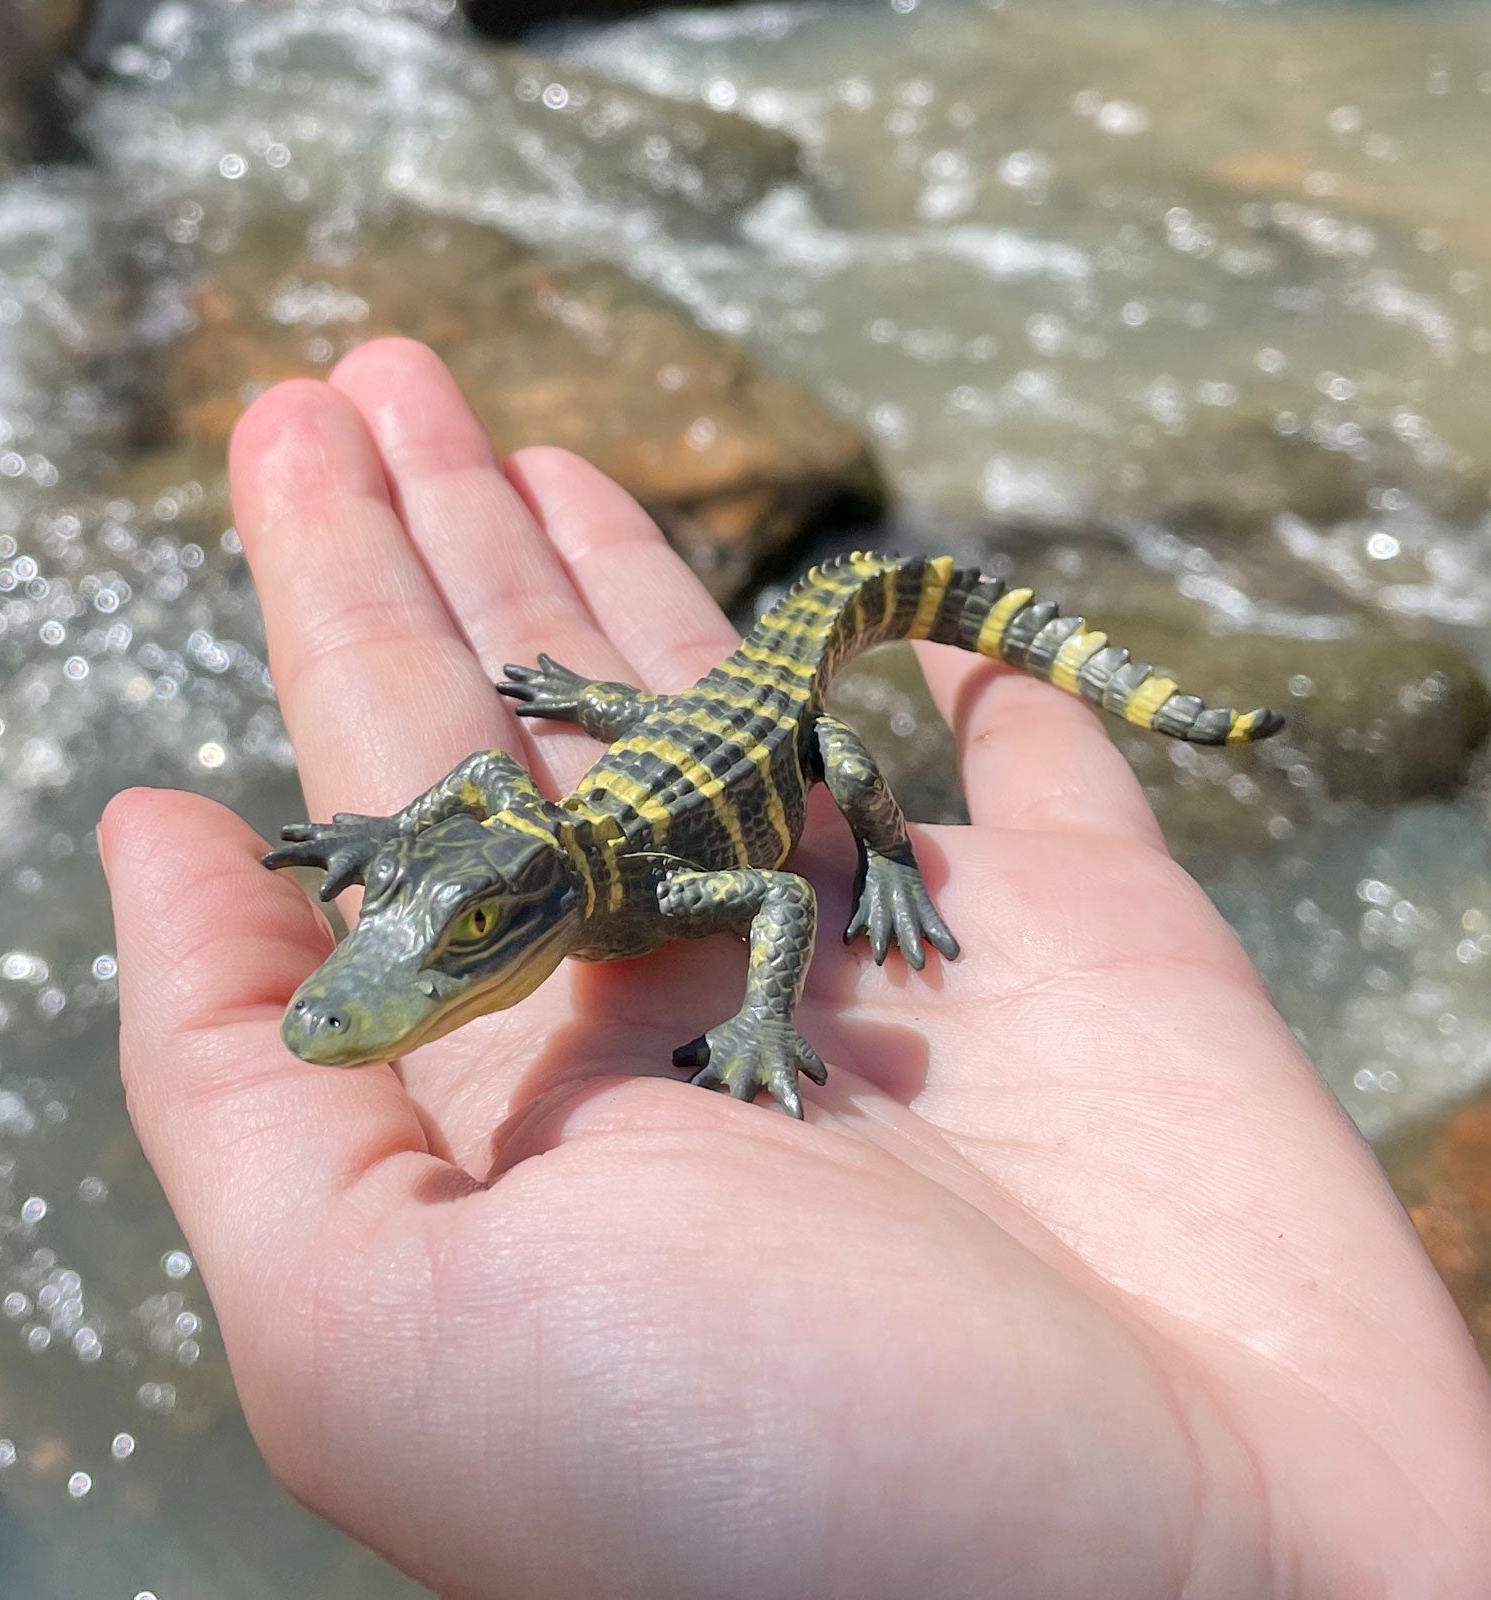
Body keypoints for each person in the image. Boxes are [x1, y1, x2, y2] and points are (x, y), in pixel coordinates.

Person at [101, 338, 1491, 1599]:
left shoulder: (646, 895)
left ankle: (896, 839)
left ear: (525, 914)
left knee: (847, 756)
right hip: (662, 735)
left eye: (465, 935)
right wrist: (396, 845)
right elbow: (478, 777)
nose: (391, 977)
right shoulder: (546, 860)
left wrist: (789, 983)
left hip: (754, 734)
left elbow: (773, 889)